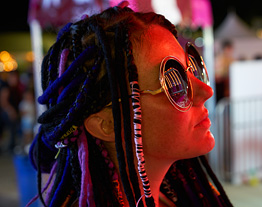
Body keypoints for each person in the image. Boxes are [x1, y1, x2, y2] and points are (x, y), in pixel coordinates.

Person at [28, 2, 233, 207]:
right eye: (174, 82)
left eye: (193, 68)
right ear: (106, 124)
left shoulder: (174, 198)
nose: (206, 92)